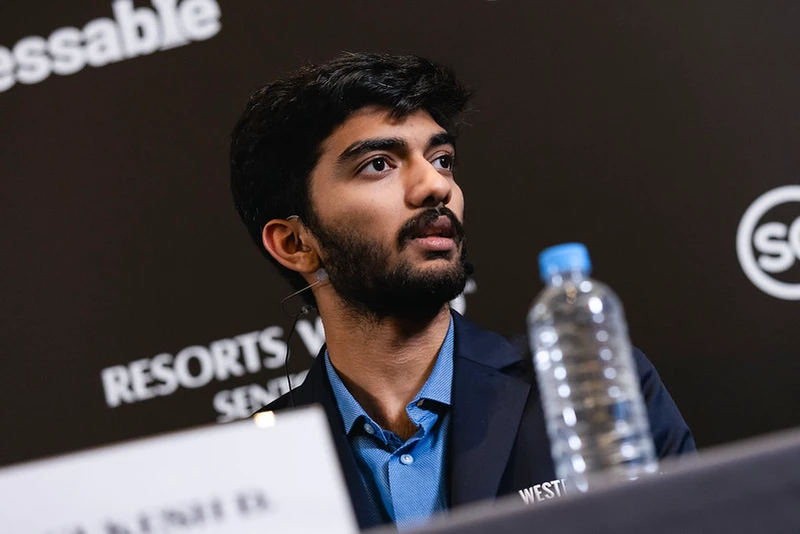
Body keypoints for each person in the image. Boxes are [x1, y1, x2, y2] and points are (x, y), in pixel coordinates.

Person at [229, 52, 695, 530]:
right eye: (378, 164)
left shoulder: (590, 386)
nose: (435, 185)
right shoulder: (246, 473)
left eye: (442, 160)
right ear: (295, 243)